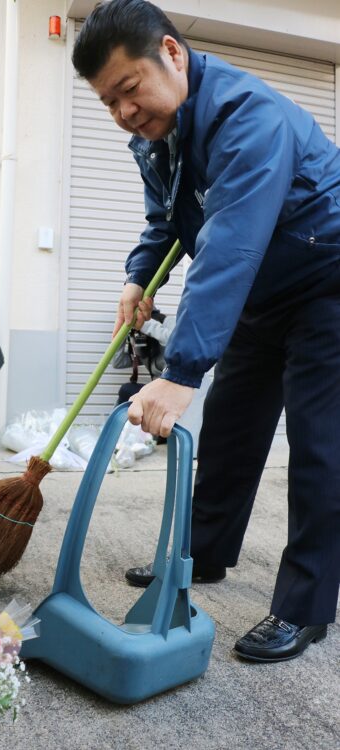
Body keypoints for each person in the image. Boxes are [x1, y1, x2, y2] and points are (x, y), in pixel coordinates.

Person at [72, 0, 340, 662]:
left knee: (320, 446)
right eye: (109, 103)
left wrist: (180, 369)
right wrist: (139, 277)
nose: (124, 113)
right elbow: (168, 222)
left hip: (328, 279)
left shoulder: (248, 117)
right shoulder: (154, 138)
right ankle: (207, 556)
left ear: (170, 52)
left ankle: (305, 607)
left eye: (128, 90)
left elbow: (230, 241)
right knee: (228, 434)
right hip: (261, 291)